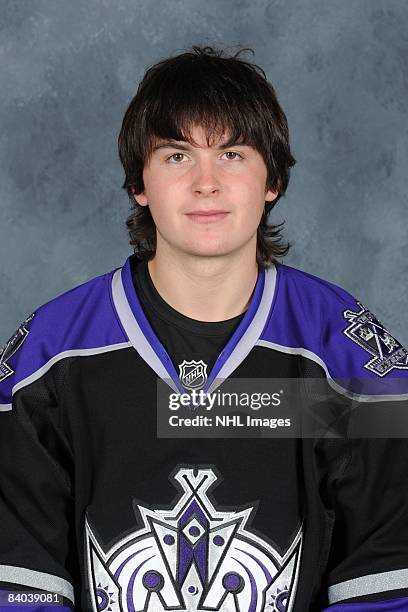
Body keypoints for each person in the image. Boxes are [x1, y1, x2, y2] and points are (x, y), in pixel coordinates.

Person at [1, 44, 408, 612]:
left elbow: (388, 574)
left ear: (273, 179)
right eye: (176, 155)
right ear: (139, 184)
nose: (206, 182)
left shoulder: (350, 360)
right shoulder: (50, 354)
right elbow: (18, 582)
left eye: (233, 154)